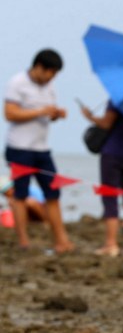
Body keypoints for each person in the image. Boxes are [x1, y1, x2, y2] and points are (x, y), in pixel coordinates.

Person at [3, 49, 73, 253]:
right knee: (20, 195)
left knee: (53, 194)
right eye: (50, 72)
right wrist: (40, 111)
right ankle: (23, 242)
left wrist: (55, 114)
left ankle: (61, 241)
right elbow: (9, 113)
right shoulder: (17, 83)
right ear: (39, 67)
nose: (52, 77)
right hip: (19, 148)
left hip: (42, 149)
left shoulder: (50, 87)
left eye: (55, 74)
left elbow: (47, 114)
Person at [79, 101, 123, 256]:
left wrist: (90, 117)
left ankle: (111, 244)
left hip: (113, 153)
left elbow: (106, 123)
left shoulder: (119, 98)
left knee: (110, 198)